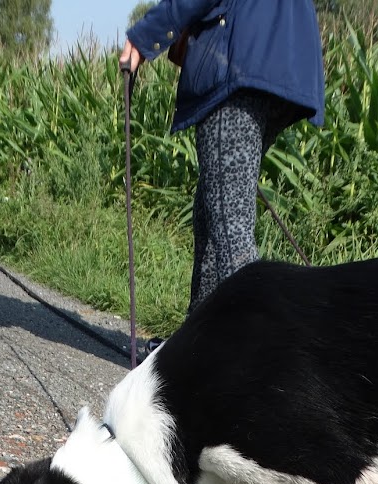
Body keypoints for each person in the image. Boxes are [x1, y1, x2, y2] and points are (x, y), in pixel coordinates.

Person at [122, 0, 324, 315]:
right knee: (211, 213)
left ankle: (257, 352)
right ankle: (197, 348)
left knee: (232, 233)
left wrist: (145, 35)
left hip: (239, 64)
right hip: (286, 67)